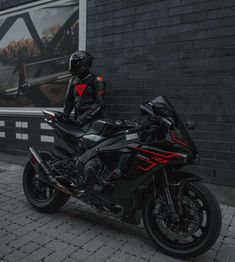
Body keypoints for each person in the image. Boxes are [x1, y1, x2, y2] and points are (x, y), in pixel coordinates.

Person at [63, 51, 105, 129]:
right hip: (77, 120)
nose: (73, 66)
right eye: (73, 63)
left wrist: (84, 118)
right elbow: (69, 101)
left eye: (76, 63)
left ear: (84, 64)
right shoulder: (73, 81)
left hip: (92, 121)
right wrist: (64, 118)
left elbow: (100, 103)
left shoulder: (97, 80)